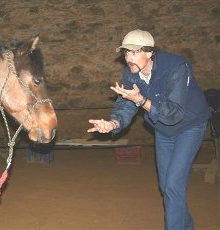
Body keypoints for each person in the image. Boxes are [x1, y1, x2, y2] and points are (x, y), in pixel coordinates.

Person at [88, 29, 210, 230]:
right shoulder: (130, 73)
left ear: (150, 52)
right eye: (126, 53)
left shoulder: (177, 67)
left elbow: (174, 113)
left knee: (172, 186)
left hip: (189, 125)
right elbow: (126, 105)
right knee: (167, 187)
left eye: (134, 52)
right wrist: (113, 123)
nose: (129, 58)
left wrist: (141, 100)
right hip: (163, 129)